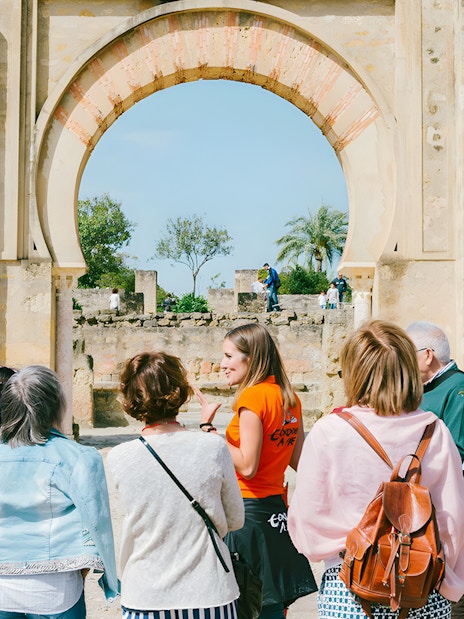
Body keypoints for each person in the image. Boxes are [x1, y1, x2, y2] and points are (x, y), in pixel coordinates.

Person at [288, 319, 464, 619]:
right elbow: (451, 521)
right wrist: (451, 585)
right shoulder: (435, 432)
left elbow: (306, 520)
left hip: (350, 584)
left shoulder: (329, 431)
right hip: (420, 586)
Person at [106, 351, 244, 619]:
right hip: (210, 592)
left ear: (130, 398)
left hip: (145, 595)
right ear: (180, 391)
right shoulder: (213, 447)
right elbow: (236, 519)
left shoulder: (119, 457)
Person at [195, 323, 317, 619]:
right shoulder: (289, 398)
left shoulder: (251, 399)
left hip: (246, 515)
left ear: (251, 359)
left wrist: (209, 432)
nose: (222, 364)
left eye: (228, 356)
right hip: (276, 512)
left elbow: (247, 465)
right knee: (271, 606)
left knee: (245, 605)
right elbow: (300, 461)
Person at [0, 365, 118, 619]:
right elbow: (96, 523)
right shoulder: (81, 457)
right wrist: (105, 575)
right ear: (56, 405)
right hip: (56, 585)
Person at [406, 321, 464, 619]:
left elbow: (455, 455)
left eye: (408, 352)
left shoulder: (458, 391)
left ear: (427, 354)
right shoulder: (425, 390)